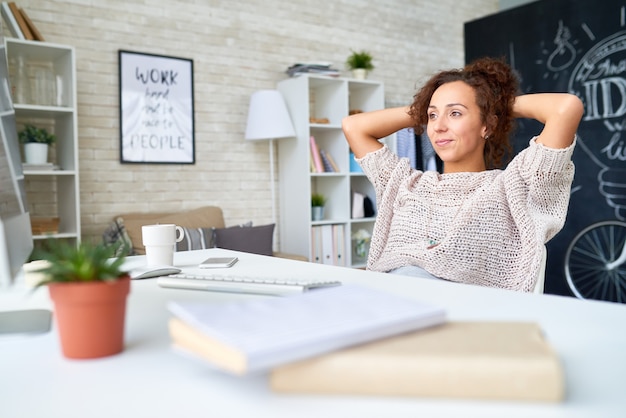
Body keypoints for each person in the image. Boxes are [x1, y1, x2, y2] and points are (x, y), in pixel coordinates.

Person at [341, 57, 584, 292]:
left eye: (455, 113)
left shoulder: (513, 186)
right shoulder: (406, 183)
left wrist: (492, 104)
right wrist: (423, 108)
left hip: (454, 317)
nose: (438, 126)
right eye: (432, 115)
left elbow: (565, 109)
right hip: (386, 301)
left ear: (487, 125)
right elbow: (354, 127)